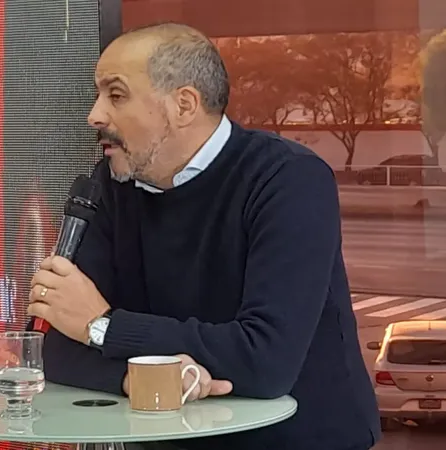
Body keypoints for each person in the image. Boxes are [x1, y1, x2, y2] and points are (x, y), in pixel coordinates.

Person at [26, 22, 380, 450]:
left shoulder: (287, 179)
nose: (95, 115)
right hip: (166, 439)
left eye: (116, 96)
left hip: (298, 440)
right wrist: (145, 378)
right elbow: (55, 348)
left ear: (184, 105)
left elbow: (265, 360)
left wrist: (103, 327)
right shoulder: (109, 187)